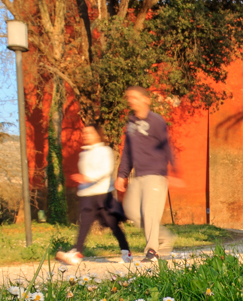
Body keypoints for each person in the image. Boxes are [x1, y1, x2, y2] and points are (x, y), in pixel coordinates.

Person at [115, 86, 181, 262]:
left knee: (149, 212)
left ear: (146, 100)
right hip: (138, 175)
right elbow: (127, 152)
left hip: (156, 175)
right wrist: (122, 175)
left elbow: (167, 145)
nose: (131, 101)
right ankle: (164, 237)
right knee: (131, 210)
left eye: (135, 97)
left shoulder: (156, 121)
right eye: (130, 98)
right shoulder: (131, 124)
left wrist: (174, 171)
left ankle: (152, 251)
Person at [56, 124, 131, 267]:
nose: (85, 135)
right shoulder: (84, 154)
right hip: (87, 195)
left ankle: (126, 251)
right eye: (84, 133)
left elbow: (106, 169)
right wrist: (83, 182)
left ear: (97, 134)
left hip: (103, 195)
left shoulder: (105, 151)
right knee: (84, 224)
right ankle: (76, 253)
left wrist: (89, 178)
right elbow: (83, 175)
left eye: (89, 133)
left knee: (113, 225)